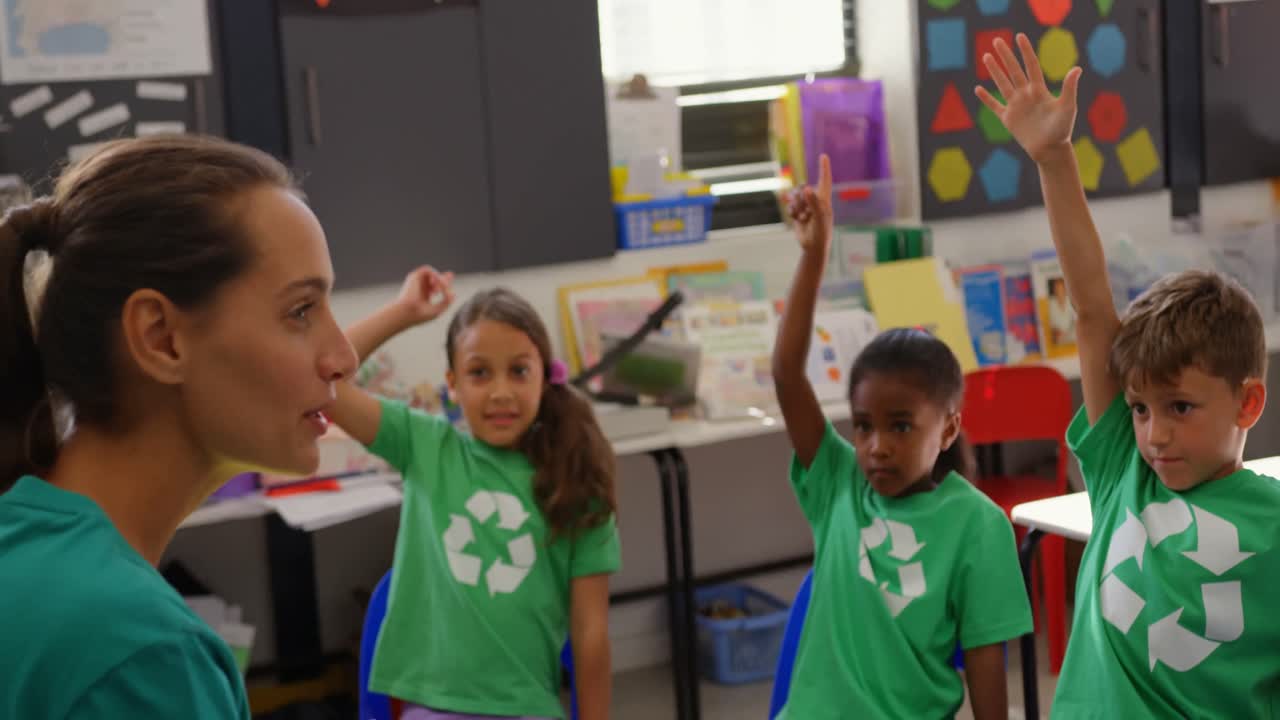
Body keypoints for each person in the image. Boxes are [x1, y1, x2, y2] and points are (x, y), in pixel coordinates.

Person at [0, 135, 358, 717]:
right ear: (161, 338)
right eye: (300, 311)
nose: (343, 356)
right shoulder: (140, 655)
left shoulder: (24, 541)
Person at [978, 34, 1280, 717]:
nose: (1155, 434)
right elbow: (1090, 308)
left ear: (1247, 402)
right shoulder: (1122, 469)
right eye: (1142, 410)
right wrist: (1054, 160)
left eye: (1179, 407)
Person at [770, 155, 1032, 719]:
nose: (876, 446)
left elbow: (988, 663)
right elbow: (788, 375)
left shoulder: (979, 525)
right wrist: (814, 255)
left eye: (901, 426)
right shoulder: (838, 483)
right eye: (863, 427)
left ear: (950, 427)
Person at [329, 276, 620, 720]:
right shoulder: (424, 446)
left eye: (519, 371)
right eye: (480, 372)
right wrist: (403, 313)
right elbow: (322, 379)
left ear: (545, 376)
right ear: (453, 382)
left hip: (527, 708)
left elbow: (591, 633)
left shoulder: (576, 482)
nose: (500, 391)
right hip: (432, 706)